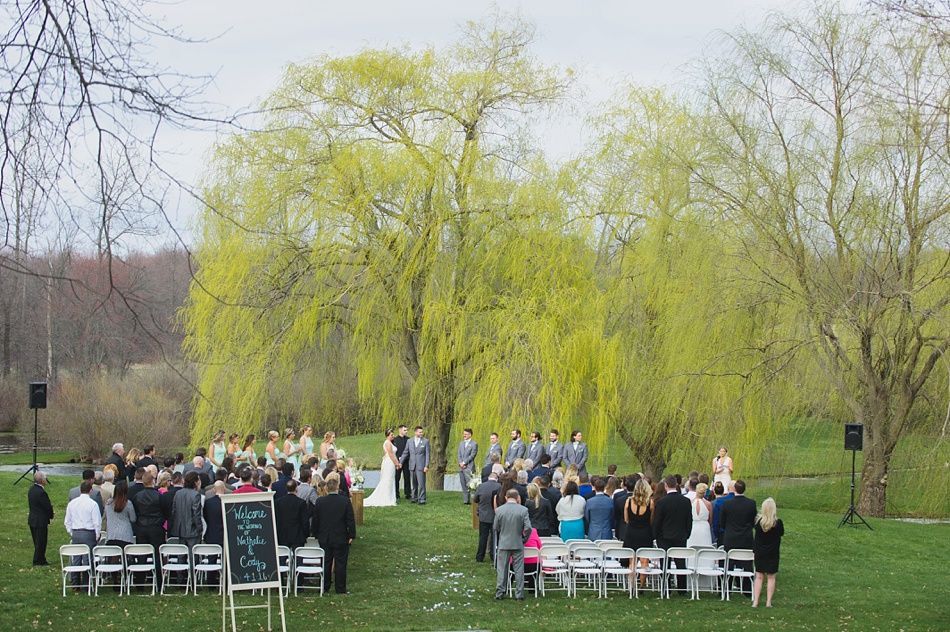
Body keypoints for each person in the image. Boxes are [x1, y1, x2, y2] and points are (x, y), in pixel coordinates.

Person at [312, 474, 356, 594]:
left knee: (326, 562)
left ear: (327, 488)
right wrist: (351, 535)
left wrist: (315, 533)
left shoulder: (320, 501)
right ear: (337, 487)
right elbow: (350, 519)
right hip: (340, 536)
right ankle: (340, 588)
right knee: (340, 563)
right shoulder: (345, 501)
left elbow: (316, 519)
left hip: (325, 536)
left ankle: (325, 586)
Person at [652, 475, 692, 593]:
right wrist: (687, 533)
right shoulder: (685, 501)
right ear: (677, 485)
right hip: (680, 535)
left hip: (664, 536)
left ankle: (666, 587)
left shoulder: (661, 502)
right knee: (680, 562)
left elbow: (657, 521)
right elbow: (689, 519)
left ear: (665, 486)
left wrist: (655, 535)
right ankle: (682, 588)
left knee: (665, 563)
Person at [493, 489, 532, 600]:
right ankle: (519, 594)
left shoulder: (499, 510)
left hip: (504, 543)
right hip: (517, 542)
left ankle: (500, 592)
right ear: (517, 497)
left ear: (506, 497)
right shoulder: (523, 510)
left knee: (502, 569)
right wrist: (524, 538)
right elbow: (528, 527)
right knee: (519, 569)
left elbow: (495, 527)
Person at [752, 497, 784, 608]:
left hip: (760, 552)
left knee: (759, 576)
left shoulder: (758, 522)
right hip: (772, 552)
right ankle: (768, 602)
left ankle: (755, 601)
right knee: (771, 577)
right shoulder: (777, 523)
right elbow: (781, 533)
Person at [623, 479, 654, 579]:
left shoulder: (628, 501)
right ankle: (641, 586)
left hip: (631, 532)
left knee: (632, 561)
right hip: (645, 532)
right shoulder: (650, 503)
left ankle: (632, 585)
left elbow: (626, 519)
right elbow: (651, 520)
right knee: (644, 561)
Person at [364, 429, 399, 507]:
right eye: (391, 435)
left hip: (389, 462)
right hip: (389, 463)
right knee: (387, 479)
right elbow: (391, 454)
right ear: (387, 435)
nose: (393, 436)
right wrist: (397, 464)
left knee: (390, 479)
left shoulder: (389, 443)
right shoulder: (387, 443)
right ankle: (385, 498)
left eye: (393, 435)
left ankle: (389, 496)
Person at [474, 472, 502, 563]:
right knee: (495, 537)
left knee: (483, 537)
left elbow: (475, 499)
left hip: (483, 516)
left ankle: (480, 556)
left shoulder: (481, 486)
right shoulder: (499, 487)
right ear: (496, 478)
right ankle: (494, 556)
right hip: (495, 515)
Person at [171, 471, 204, 549]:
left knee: (181, 555)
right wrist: (200, 528)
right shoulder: (195, 494)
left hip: (180, 529)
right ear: (195, 482)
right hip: (193, 530)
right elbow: (196, 514)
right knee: (193, 556)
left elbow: (174, 511)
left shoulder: (178, 493)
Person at [27, 471, 54, 566]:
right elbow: (47, 507)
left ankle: (41, 558)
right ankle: (38, 560)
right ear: (42, 480)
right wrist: (51, 515)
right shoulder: (41, 492)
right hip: (40, 520)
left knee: (37, 541)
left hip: (33, 519)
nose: (46, 480)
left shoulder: (31, 489)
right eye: (45, 478)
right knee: (41, 541)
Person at [275, 479, 310, 551]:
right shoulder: (301, 502)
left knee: (283, 558)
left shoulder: (278, 502)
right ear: (296, 488)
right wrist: (306, 534)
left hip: (282, 535)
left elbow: (277, 519)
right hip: (297, 535)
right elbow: (305, 521)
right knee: (298, 559)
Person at [401, 426, 430, 505]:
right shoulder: (409, 441)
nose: (421, 433)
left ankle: (422, 499)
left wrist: (426, 466)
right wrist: (400, 462)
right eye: (420, 432)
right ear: (415, 432)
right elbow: (405, 452)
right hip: (412, 465)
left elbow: (427, 454)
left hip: (421, 466)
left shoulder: (425, 441)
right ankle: (414, 497)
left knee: (421, 483)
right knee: (414, 483)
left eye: (422, 432)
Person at [104, 480, 136, 548]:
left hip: (111, 535)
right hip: (126, 536)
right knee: (125, 556)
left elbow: (107, 517)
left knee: (113, 556)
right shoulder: (127, 503)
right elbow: (133, 519)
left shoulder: (108, 503)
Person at [584, 476, 614, 540]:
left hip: (594, 531)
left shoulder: (589, 501)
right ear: (604, 487)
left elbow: (587, 517)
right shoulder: (610, 501)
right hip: (605, 532)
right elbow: (612, 516)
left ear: (594, 487)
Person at [687, 483, 713, 547]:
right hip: (704, 528)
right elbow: (710, 519)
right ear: (704, 493)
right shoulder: (708, 504)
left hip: (693, 527)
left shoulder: (690, 502)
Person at [457, 428, 478, 504]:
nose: (464, 435)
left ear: (470, 435)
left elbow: (472, 455)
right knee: (463, 484)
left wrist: (464, 463)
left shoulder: (474, 444)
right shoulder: (461, 443)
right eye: (464, 434)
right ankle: (466, 500)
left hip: (469, 467)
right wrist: (460, 463)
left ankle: (473, 500)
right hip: (461, 467)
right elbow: (459, 454)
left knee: (470, 484)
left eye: (466, 434)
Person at [392, 425, 412, 500]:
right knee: (397, 478)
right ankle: (396, 494)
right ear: (400, 430)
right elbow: (393, 452)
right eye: (405, 430)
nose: (406, 431)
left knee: (407, 478)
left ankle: (408, 494)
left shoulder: (409, 440)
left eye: (406, 430)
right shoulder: (395, 440)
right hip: (397, 462)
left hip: (406, 461)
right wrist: (397, 460)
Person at [613, 475, 634, 541]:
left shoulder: (619, 500)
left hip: (623, 529)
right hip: (627, 528)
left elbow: (616, 516)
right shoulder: (619, 500)